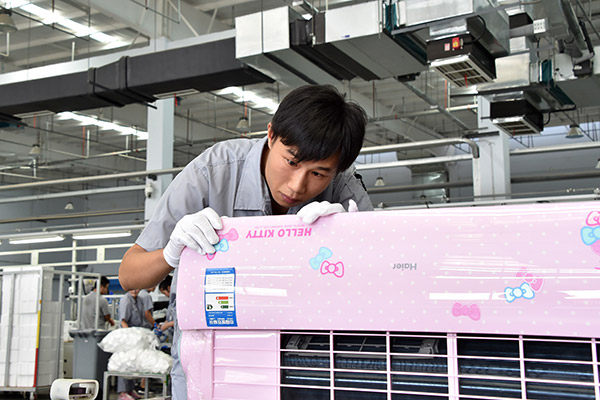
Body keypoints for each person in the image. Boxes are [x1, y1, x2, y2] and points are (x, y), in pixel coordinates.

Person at [118, 84, 373, 400]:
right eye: (291, 161)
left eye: (319, 174)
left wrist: (347, 240)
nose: (297, 185)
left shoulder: (343, 187)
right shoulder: (213, 172)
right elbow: (129, 275)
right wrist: (172, 251)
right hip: (210, 362)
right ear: (271, 133)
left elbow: (377, 282)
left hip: (305, 365)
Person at [116, 289, 144, 400]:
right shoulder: (126, 300)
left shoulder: (139, 300)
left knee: (133, 362)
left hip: (136, 334)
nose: (135, 291)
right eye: (132, 288)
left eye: (137, 288)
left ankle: (130, 389)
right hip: (127, 335)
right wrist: (129, 335)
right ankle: (122, 392)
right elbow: (123, 321)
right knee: (125, 363)